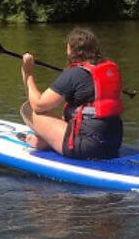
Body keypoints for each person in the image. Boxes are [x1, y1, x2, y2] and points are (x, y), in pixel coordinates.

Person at [18, 27, 124, 160]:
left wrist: (27, 74)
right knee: (64, 113)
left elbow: (38, 105)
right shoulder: (110, 68)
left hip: (87, 147)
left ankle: (43, 141)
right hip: (113, 142)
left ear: (71, 50)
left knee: (29, 110)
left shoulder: (74, 73)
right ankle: (45, 141)